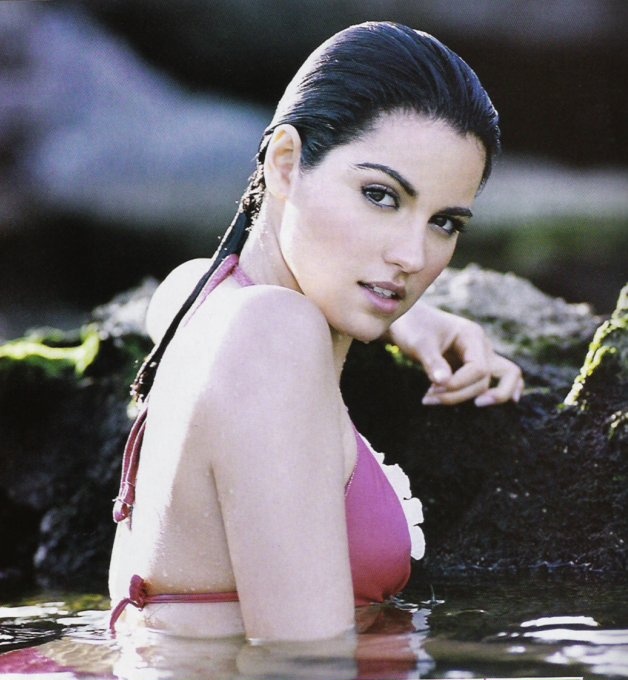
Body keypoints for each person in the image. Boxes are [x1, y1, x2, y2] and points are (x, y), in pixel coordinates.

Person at [108, 21, 523, 646]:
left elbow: (176, 292)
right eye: (380, 196)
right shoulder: (273, 334)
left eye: (444, 222)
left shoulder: (207, 302)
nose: (413, 257)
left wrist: (404, 316)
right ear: (285, 163)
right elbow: (304, 665)